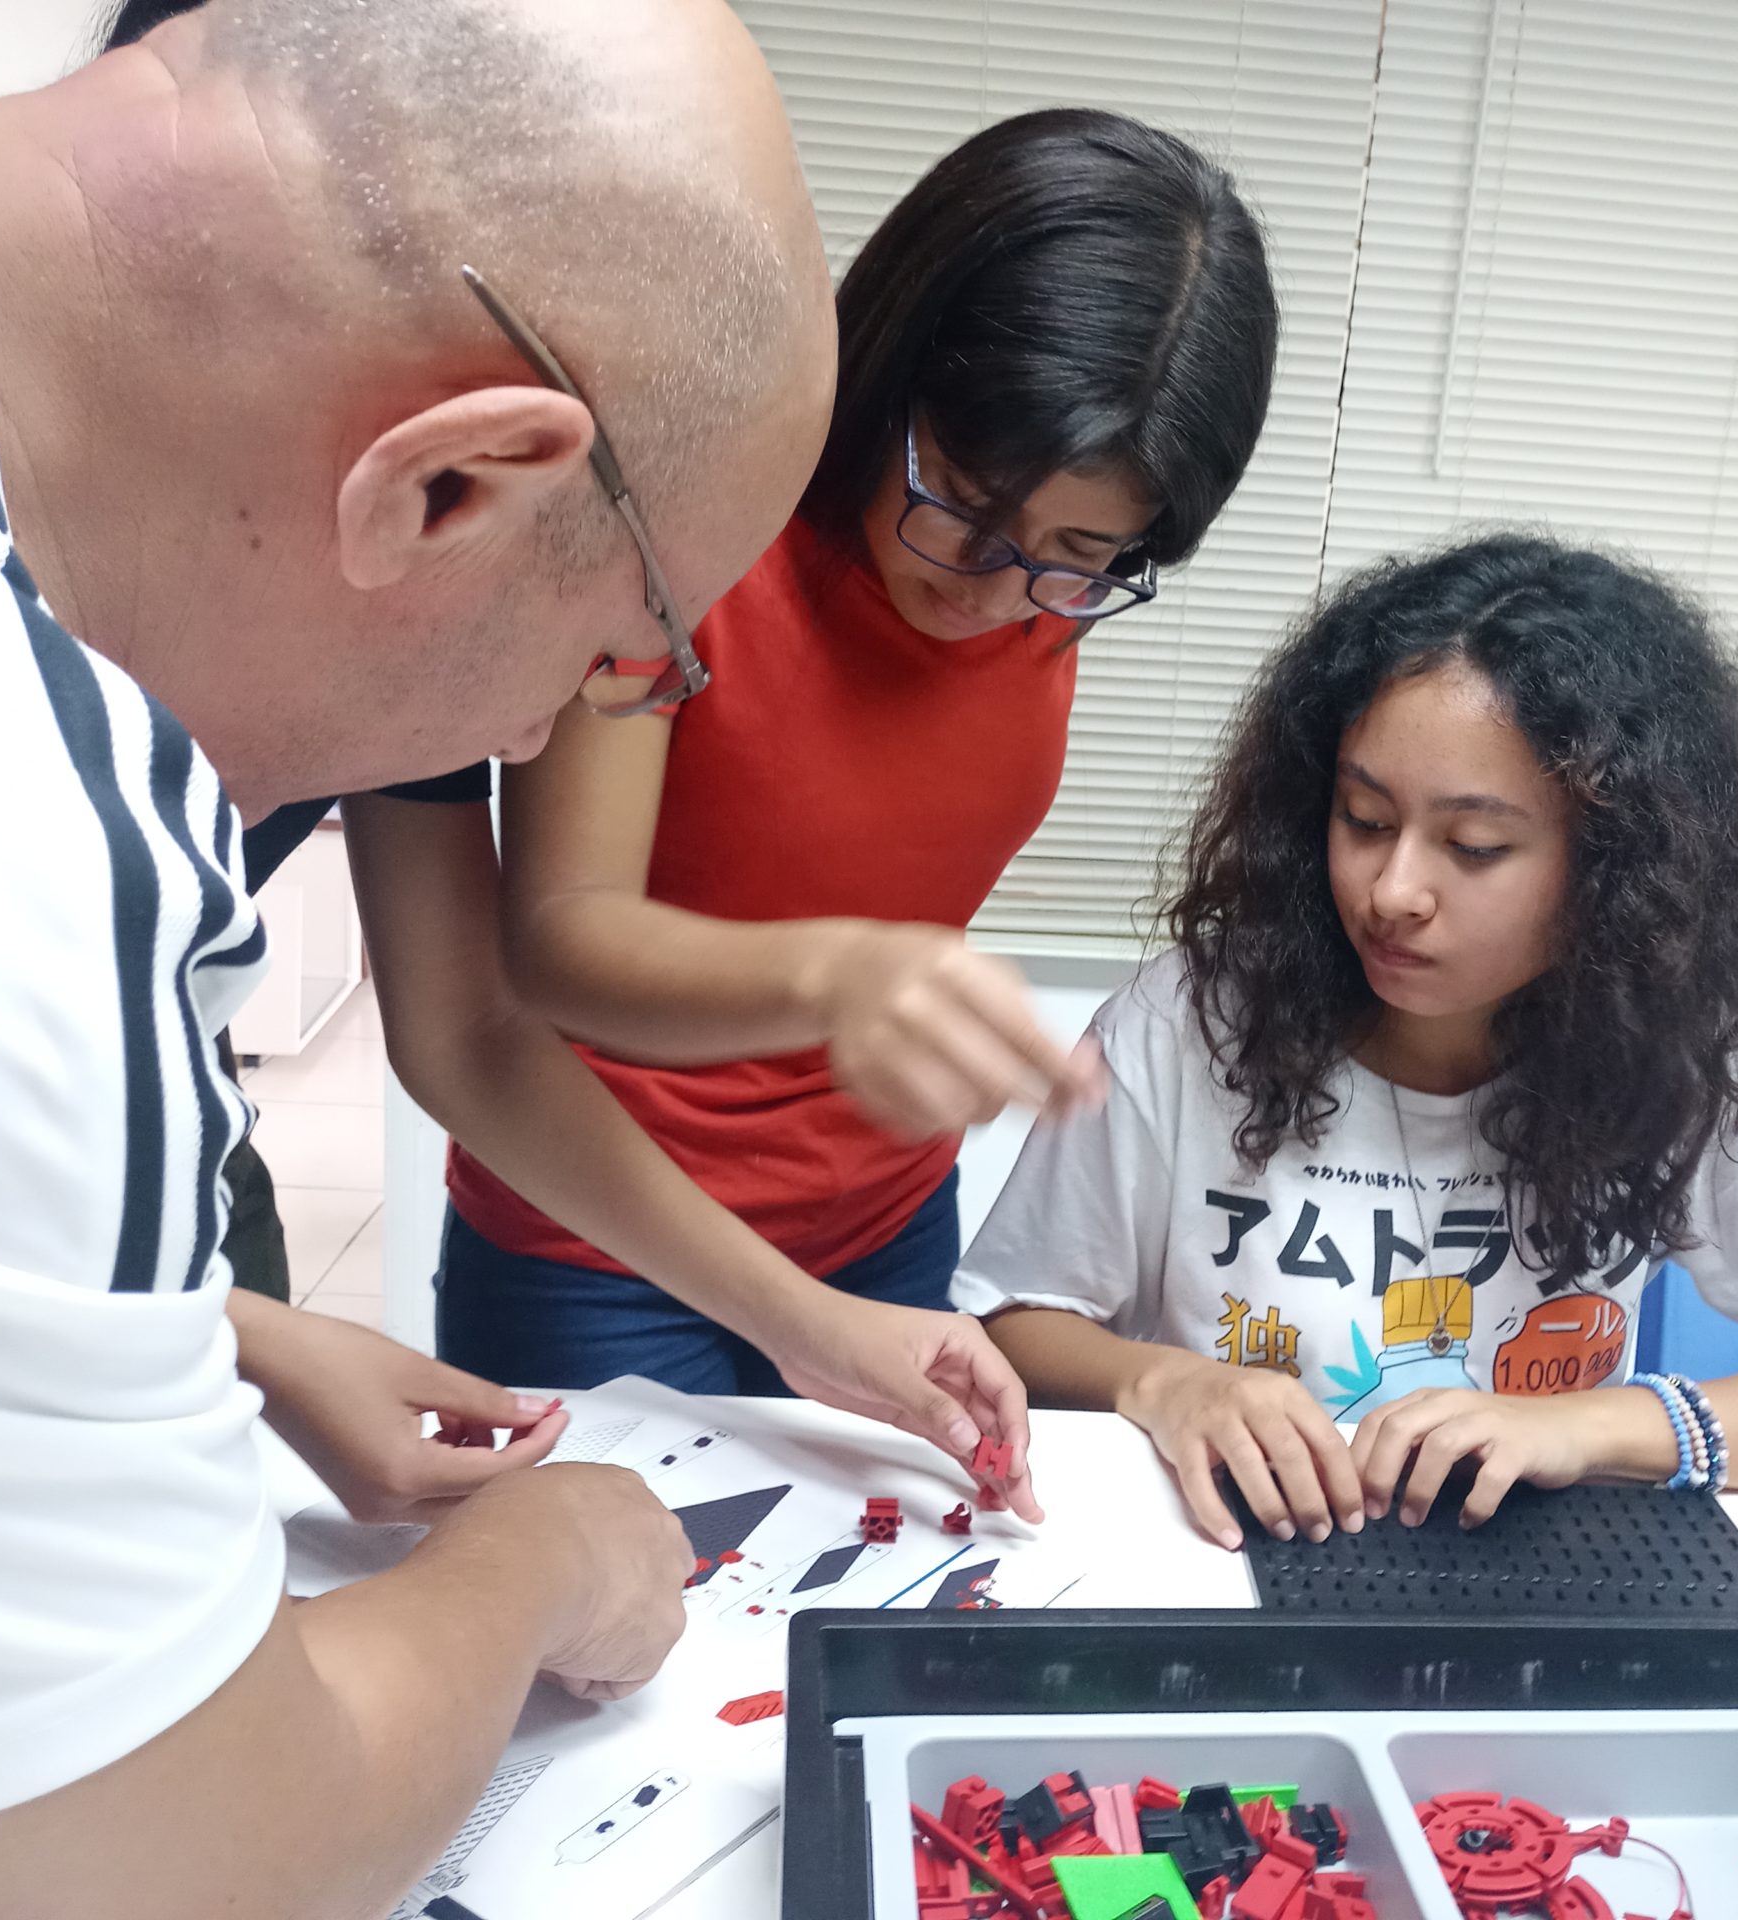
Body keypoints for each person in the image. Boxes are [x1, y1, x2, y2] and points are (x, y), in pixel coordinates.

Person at [0, 4, 837, 1915]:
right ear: (448, 484)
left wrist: (230, 1333)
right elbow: (151, 1867)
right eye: (618, 657)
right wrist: (546, 1562)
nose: (538, 734)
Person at [71, 0, 1047, 1501]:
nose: (535, 735)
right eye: (613, 613)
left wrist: (249, 1342)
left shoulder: (382, 599)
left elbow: (464, 1031)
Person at [441, 109, 1283, 1391]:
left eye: (1081, 555)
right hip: (603, 1238)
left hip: (885, 1226)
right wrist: (841, 974)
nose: (993, 593)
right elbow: (558, 937)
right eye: (965, 506)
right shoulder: (693, 530)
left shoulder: (1042, 594)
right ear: (888, 369)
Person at [950, 532, 1738, 1550]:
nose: (1393, 891)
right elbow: (1006, 1325)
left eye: (1475, 845)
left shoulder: (1677, 1051)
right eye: (1364, 820)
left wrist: (1590, 1428)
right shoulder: (1193, 1021)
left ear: (1615, 870)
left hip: (1521, 1570)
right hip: (1236, 1552)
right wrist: (1165, 1381)